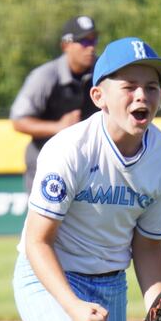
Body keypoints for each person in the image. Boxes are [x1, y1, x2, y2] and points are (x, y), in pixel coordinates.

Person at [12, 37, 161, 321]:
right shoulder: (70, 149)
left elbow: (149, 243)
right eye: (129, 87)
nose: (142, 96)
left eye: (152, 87)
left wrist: (158, 306)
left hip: (111, 286)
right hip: (50, 279)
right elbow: (37, 242)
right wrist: (72, 305)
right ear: (99, 96)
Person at [9, 15, 100, 193]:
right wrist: (58, 127)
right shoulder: (45, 76)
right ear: (65, 45)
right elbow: (18, 121)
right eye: (83, 41)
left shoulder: (102, 72)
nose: (90, 47)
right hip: (47, 161)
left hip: (90, 162)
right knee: (48, 220)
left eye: (93, 40)